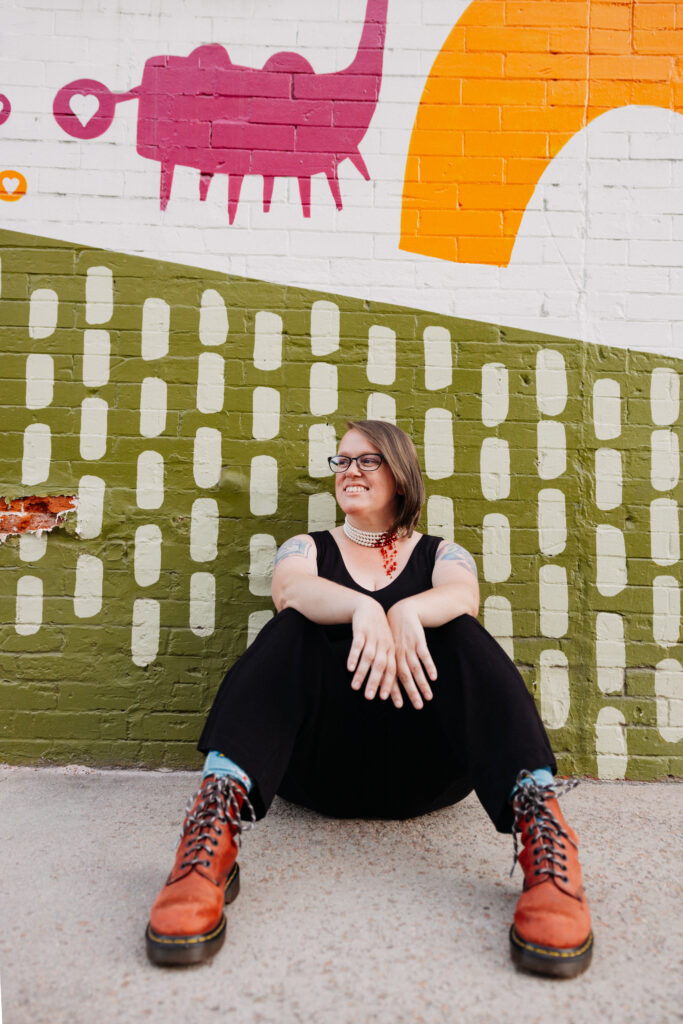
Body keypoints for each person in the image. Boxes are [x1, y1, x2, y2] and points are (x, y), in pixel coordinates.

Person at [145, 420, 593, 978]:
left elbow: (463, 596)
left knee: (459, 631)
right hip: (319, 770)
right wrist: (363, 608)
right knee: (292, 628)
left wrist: (405, 610)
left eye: (368, 460)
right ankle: (210, 834)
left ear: (401, 477)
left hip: (427, 768)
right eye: (342, 460)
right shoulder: (306, 548)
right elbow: (289, 589)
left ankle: (542, 832)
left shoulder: (442, 554)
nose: (349, 470)